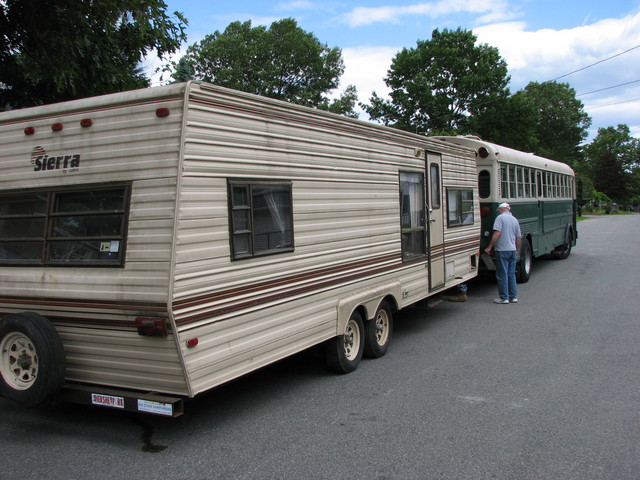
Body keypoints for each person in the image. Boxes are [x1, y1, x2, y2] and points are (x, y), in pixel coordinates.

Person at [484, 203, 522, 304]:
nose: (498, 212)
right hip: (512, 250)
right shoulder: (515, 220)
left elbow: (497, 233)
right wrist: (517, 249)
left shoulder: (500, 218)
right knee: (511, 274)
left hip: (501, 250)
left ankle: (504, 298)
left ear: (501, 209)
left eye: (498, 210)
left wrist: (489, 247)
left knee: (502, 274)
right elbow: (519, 238)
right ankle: (513, 297)